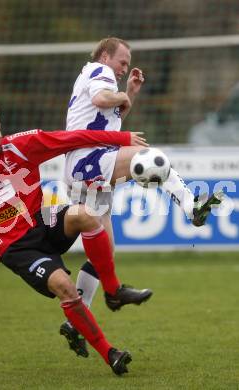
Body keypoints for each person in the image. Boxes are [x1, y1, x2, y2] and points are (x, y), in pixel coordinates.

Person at [0, 103, 154, 376]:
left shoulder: (19, 147)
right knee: (65, 287)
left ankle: (113, 291)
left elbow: (72, 138)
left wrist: (120, 138)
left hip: (40, 222)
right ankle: (110, 353)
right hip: (15, 248)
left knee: (86, 216)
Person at [60, 37, 223, 358]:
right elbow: (103, 97)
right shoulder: (99, 71)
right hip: (88, 161)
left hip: (82, 166)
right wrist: (121, 93)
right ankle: (191, 208)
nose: (124, 67)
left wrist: (129, 94)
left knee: (103, 251)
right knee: (151, 159)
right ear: (106, 56)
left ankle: (76, 321)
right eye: (123, 60)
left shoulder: (94, 75)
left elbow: (105, 114)